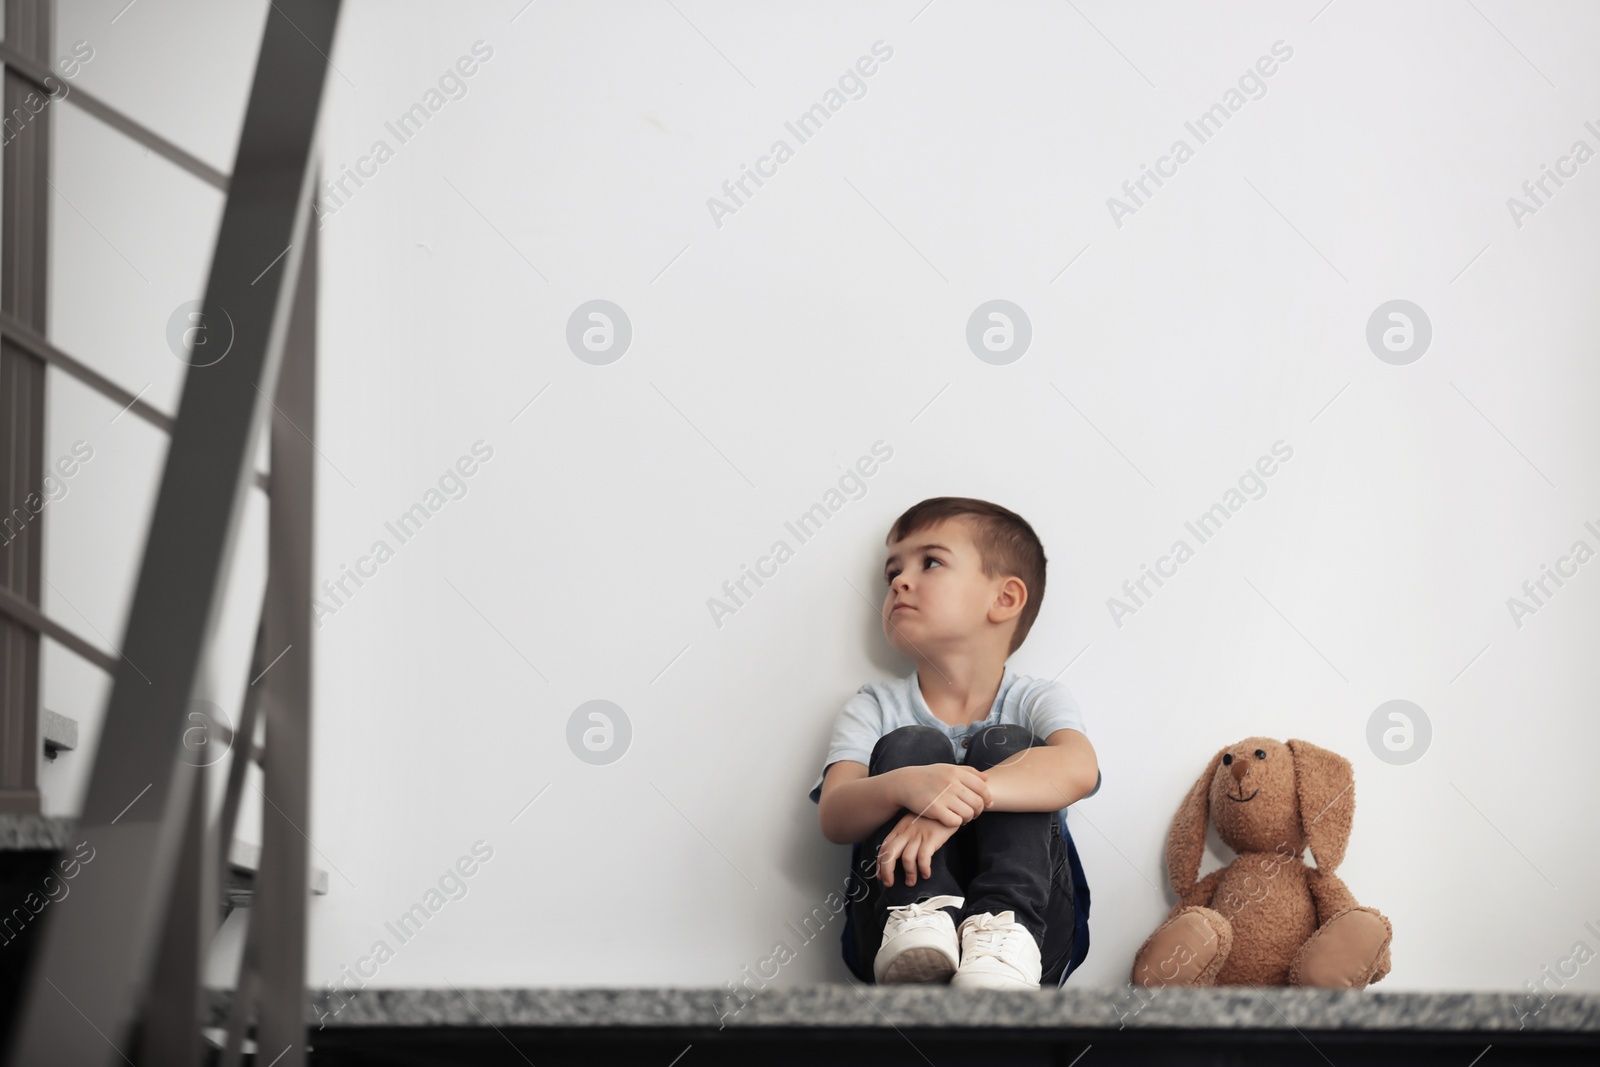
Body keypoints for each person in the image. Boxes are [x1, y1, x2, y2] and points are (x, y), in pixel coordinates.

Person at [809, 497, 1101, 990]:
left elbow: (1079, 768)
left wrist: (954, 801)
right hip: (889, 931)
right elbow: (835, 815)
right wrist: (908, 787)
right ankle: (918, 916)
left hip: (1034, 933)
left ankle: (1004, 935)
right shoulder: (875, 706)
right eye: (892, 572)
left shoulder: (1036, 699)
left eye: (931, 562)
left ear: (1004, 599)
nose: (901, 580)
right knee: (911, 745)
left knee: (1008, 743)